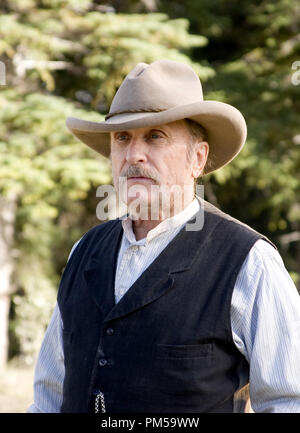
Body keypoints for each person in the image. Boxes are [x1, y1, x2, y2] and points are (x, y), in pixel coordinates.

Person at [28, 59, 300, 413]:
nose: (133, 155)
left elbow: (289, 401)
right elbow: (50, 396)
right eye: (122, 138)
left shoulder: (248, 261)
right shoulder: (84, 252)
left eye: (155, 137)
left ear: (197, 159)